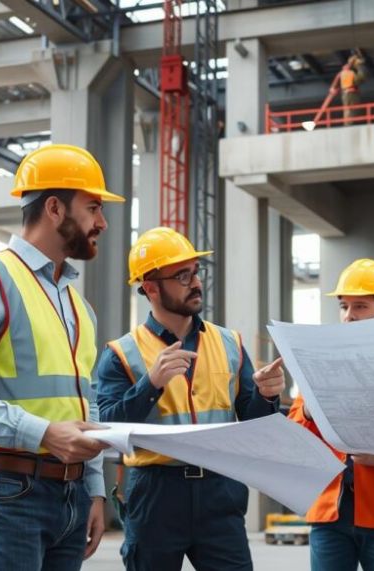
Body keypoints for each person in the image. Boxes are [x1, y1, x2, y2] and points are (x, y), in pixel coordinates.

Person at [0, 144, 124, 570]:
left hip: (69, 498)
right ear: (54, 208)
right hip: (6, 494)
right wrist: (43, 433)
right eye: (93, 208)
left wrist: (92, 489)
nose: (102, 222)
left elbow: (82, 402)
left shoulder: (77, 305)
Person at [95, 226, 285, 570]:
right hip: (155, 494)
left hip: (220, 491)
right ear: (150, 288)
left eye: (196, 272)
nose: (196, 283)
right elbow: (107, 425)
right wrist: (150, 383)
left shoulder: (229, 343)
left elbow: (254, 421)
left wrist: (267, 395)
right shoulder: (121, 354)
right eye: (182, 275)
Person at [288, 259, 374, 571]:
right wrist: (308, 409)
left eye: (359, 306)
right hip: (329, 514)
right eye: (344, 306)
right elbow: (293, 433)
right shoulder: (319, 363)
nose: (348, 316)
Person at [340, 53, 366, 125]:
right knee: (352, 110)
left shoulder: (344, 73)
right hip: (351, 93)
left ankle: (348, 124)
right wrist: (359, 65)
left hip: (347, 93)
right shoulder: (348, 73)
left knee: (348, 110)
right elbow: (361, 78)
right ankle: (349, 124)